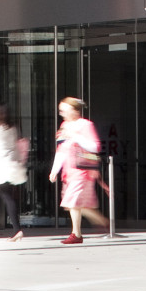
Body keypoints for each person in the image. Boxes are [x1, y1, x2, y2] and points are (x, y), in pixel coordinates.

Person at [52, 96, 104, 244]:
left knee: (73, 202)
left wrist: (75, 136)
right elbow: (61, 150)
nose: (62, 113)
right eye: (61, 110)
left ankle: (76, 234)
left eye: (64, 110)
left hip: (82, 170)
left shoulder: (85, 125)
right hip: (69, 171)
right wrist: (55, 170)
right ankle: (99, 222)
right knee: (74, 204)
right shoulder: (64, 125)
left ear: (75, 110)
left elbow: (95, 147)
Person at [0, 103, 29, 239]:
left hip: (1, 167)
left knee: (5, 197)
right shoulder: (12, 128)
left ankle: (17, 229)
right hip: (11, 166)